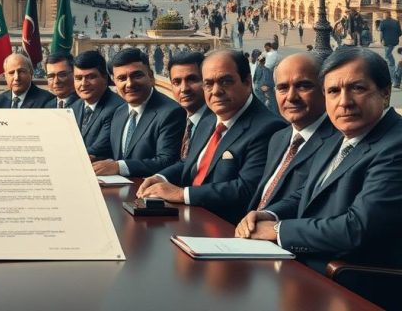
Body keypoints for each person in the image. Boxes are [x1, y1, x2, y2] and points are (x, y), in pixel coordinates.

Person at [236, 47, 402, 273]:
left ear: (385, 93)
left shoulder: (395, 145)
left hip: (352, 283)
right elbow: (308, 193)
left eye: (357, 88)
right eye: (333, 91)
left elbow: (357, 229)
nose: (344, 102)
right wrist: (269, 214)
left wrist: (278, 230)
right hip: (306, 267)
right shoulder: (340, 136)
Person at [139, 50, 286, 223]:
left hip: (225, 228)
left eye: (225, 81)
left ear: (247, 82)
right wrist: (160, 177)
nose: (216, 91)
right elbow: (190, 163)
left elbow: (246, 188)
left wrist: (182, 194)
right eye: (208, 84)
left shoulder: (270, 128)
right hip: (190, 217)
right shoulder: (208, 119)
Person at [246, 53, 338, 212]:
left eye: (303, 86)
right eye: (282, 88)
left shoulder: (339, 142)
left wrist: (269, 219)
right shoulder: (278, 137)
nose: (291, 97)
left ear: (325, 89)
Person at [92, 48, 182, 177]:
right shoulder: (119, 112)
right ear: (114, 82)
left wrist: (119, 166)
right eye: (122, 78)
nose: (129, 84)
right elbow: (107, 151)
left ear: (150, 76)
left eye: (137, 75)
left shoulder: (171, 112)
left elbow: (166, 161)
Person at [68, 50, 122, 160]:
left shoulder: (118, 108)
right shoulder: (74, 107)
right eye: (78, 78)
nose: (83, 83)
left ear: (105, 78)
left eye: (91, 77)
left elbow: (99, 148)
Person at [165, 51, 212, 162]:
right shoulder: (175, 118)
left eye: (192, 79)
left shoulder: (218, 122)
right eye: (177, 82)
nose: (184, 88)